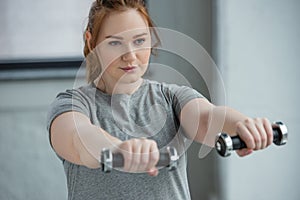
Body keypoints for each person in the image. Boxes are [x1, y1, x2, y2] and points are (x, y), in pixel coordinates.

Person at [47, 0, 274, 199]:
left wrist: (243, 125)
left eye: (139, 41)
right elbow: (79, 139)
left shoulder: (172, 97)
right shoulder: (72, 104)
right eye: (115, 43)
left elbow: (208, 117)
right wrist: (119, 149)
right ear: (91, 42)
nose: (131, 55)